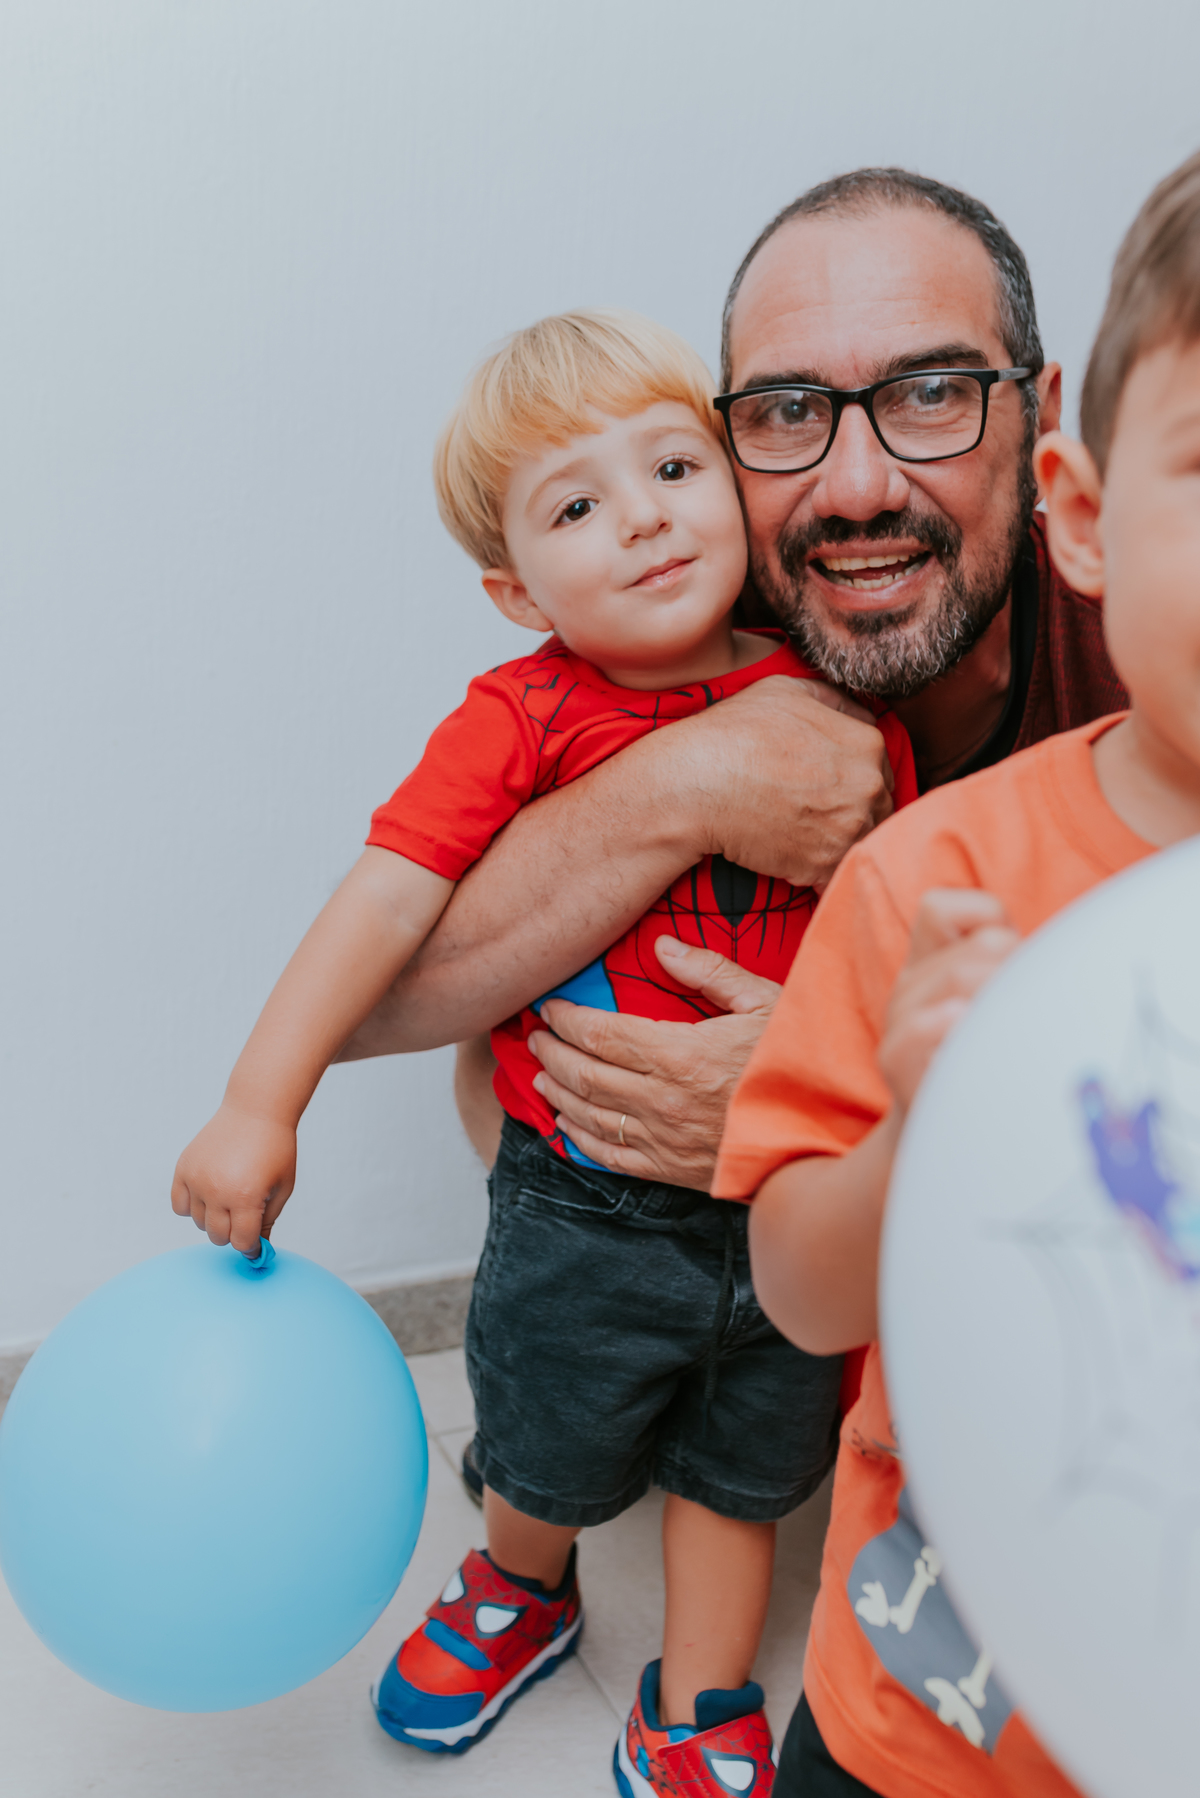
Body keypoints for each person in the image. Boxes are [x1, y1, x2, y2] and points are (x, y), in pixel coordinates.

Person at [170, 308, 916, 1795]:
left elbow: (890, 914)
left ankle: (698, 1696)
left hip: (781, 1188)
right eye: (580, 505)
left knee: (741, 1470)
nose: (643, 517)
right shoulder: (523, 714)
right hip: (582, 1202)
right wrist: (263, 1099)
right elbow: (386, 895)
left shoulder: (841, 699)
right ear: (517, 591)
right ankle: (521, 1583)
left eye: (674, 467)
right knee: (542, 1438)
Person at [337, 168, 1125, 1207]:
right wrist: (686, 782)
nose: (855, 489)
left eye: (932, 394)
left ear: (1040, 418)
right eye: (789, 411)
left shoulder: (1138, 638)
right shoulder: (679, 621)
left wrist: (829, 1097)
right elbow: (396, 1018)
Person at [715, 149, 1200, 1796]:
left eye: (925, 393)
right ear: (1088, 513)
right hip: (930, 1726)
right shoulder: (934, 877)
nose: (853, 477)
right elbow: (797, 1287)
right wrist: (925, 1128)